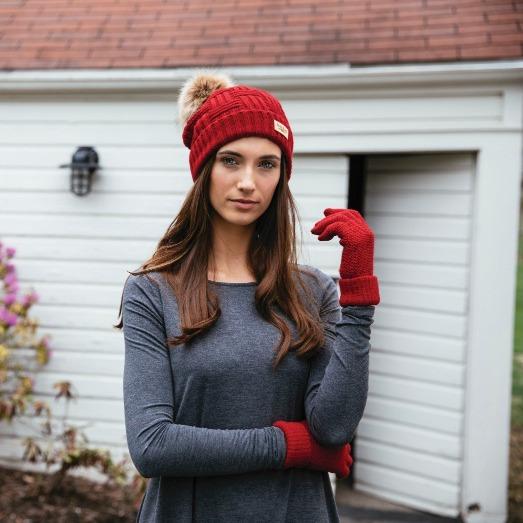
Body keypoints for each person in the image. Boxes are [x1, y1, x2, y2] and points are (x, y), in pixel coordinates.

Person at [114, 69, 380, 523]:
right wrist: (291, 445)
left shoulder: (312, 291)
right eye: (231, 160)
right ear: (205, 169)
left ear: (281, 177)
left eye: (267, 163)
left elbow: (333, 427)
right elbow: (152, 445)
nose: (248, 182)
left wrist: (358, 296)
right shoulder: (152, 291)